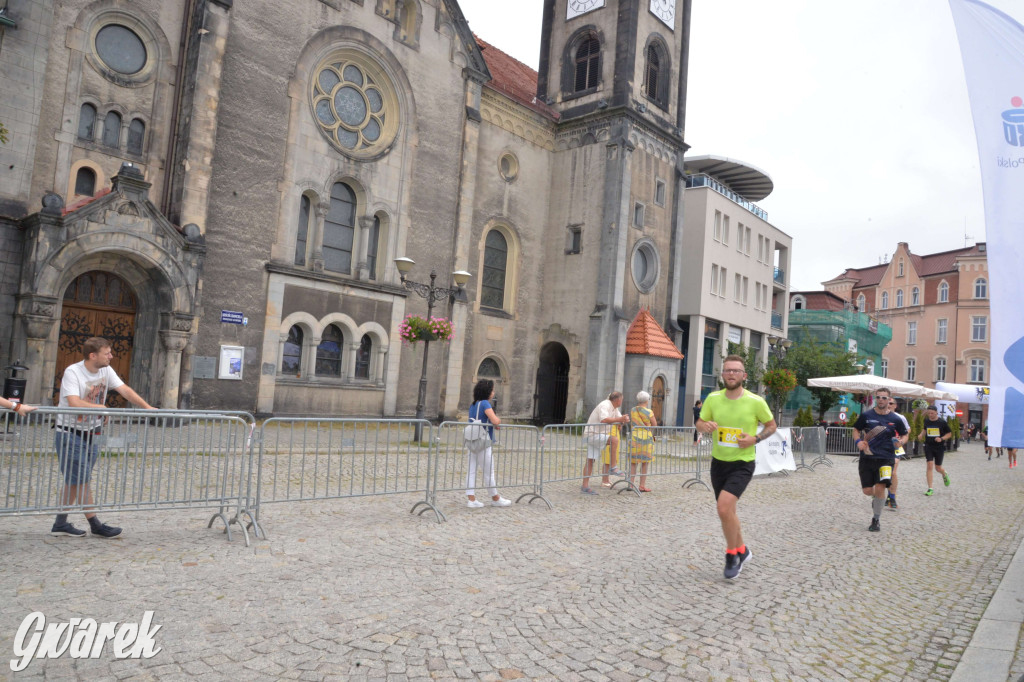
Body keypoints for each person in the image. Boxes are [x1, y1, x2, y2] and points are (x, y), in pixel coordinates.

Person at [51, 337, 156, 538]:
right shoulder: (73, 372)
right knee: (81, 479)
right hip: (70, 433)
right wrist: (101, 408)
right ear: (93, 355)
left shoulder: (106, 370)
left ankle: (60, 523)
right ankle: (95, 524)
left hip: (92, 433)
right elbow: (73, 402)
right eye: (107, 353)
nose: (111, 356)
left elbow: (124, 389)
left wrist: (147, 407)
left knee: (75, 480)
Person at [697, 355, 776, 580]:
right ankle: (743, 549)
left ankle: (732, 555)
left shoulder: (755, 401)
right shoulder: (712, 398)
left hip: (742, 463)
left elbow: (771, 425)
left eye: (736, 371)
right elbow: (700, 424)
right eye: (727, 370)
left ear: (744, 376)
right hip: (718, 463)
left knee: (723, 508)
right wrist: (705, 425)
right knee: (728, 512)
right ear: (722, 375)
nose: (731, 374)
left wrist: (756, 438)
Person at [852, 388, 908, 532]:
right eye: (879, 397)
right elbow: (856, 430)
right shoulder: (866, 415)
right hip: (867, 457)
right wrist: (858, 442)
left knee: (880, 487)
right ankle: (877, 500)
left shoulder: (896, 419)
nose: (881, 400)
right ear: (876, 399)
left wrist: (901, 442)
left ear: (889, 400)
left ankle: (876, 519)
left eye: (884, 398)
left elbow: (905, 434)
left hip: (886, 458)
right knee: (867, 490)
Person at [465, 379, 511, 509]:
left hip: (472, 441)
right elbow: (495, 420)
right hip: (484, 441)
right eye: (492, 390)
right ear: (487, 392)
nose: (493, 392)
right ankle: (495, 497)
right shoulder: (485, 404)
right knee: (488, 471)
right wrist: (498, 421)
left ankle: (471, 498)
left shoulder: (473, 405)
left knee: (471, 470)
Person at [581, 391, 630, 495]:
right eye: (622, 399)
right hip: (592, 434)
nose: (622, 401)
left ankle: (585, 486)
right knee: (614, 440)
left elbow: (618, 418)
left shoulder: (614, 408)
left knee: (590, 460)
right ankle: (613, 467)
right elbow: (604, 419)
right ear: (618, 400)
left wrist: (623, 420)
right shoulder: (605, 405)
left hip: (596, 434)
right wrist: (620, 419)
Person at [919, 405, 952, 496]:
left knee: (938, 468)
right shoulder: (926, 420)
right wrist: (921, 434)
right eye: (929, 413)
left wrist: (941, 438)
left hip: (939, 447)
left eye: (932, 413)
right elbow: (925, 429)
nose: (930, 415)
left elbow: (949, 434)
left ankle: (944, 474)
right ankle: (930, 488)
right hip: (928, 445)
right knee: (929, 465)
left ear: (936, 412)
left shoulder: (942, 422)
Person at [628, 391, 657, 492]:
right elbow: (655, 424)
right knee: (645, 463)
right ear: (647, 400)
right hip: (646, 438)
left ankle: (630, 484)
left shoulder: (633, 410)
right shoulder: (649, 412)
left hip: (634, 437)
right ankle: (642, 485)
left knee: (633, 462)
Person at [885, 407, 910, 510]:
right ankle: (883, 494)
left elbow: (907, 430)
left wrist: (901, 439)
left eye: (891, 403)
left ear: (895, 405)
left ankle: (892, 497)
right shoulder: (877, 415)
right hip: (883, 448)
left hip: (896, 447)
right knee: (883, 472)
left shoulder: (900, 417)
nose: (888, 405)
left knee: (893, 472)